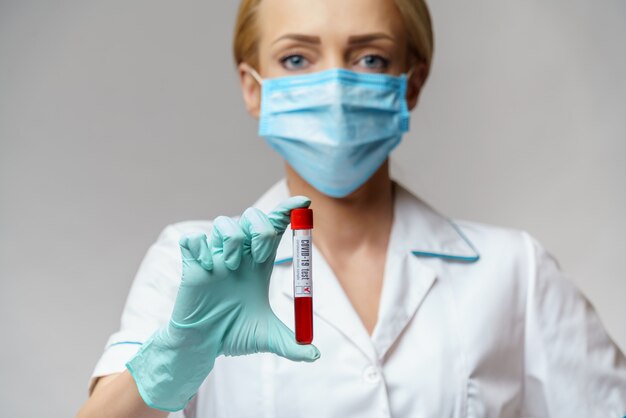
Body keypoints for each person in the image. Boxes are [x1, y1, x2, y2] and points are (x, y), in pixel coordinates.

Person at [76, 0, 626, 416]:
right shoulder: (192, 264)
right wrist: (178, 354)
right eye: (296, 58)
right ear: (254, 88)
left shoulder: (514, 272)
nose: (335, 87)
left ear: (411, 83)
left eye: (370, 57)